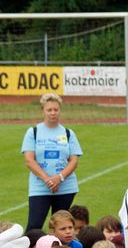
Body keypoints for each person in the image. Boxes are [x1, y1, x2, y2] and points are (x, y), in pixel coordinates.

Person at [21, 92, 83, 231]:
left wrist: (59, 178)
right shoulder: (33, 132)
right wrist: (48, 180)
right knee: (34, 227)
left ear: (60, 110)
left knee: (61, 228)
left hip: (65, 188)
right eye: (49, 110)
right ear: (43, 110)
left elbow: (74, 161)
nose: (53, 113)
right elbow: (29, 160)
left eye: (56, 109)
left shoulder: (68, 133)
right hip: (40, 187)